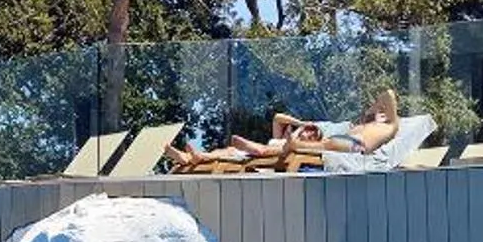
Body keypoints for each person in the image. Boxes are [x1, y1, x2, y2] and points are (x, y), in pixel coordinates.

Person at [169, 88, 400, 173]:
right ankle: (192, 157)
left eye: (379, 111)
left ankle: (293, 146)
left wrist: (380, 107)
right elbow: (278, 118)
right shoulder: (361, 125)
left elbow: (388, 96)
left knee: (328, 143)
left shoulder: (389, 125)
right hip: (342, 144)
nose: (375, 112)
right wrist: (302, 126)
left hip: (357, 148)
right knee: (230, 149)